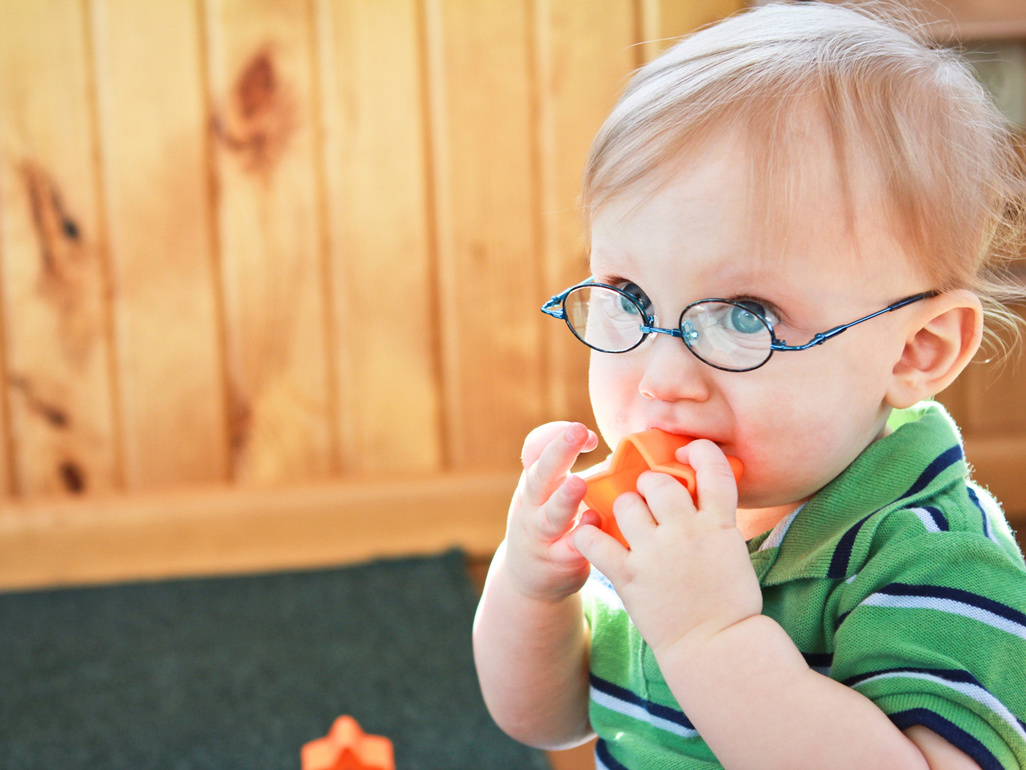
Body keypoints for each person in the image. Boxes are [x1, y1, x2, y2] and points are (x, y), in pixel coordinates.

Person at [472, 2, 1026, 768]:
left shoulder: (932, 557)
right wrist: (534, 588)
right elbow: (548, 720)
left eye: (745, 317)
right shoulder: (664, 518)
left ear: (916, 351)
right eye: (629, 298)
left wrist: (711, 635)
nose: (664, 379)